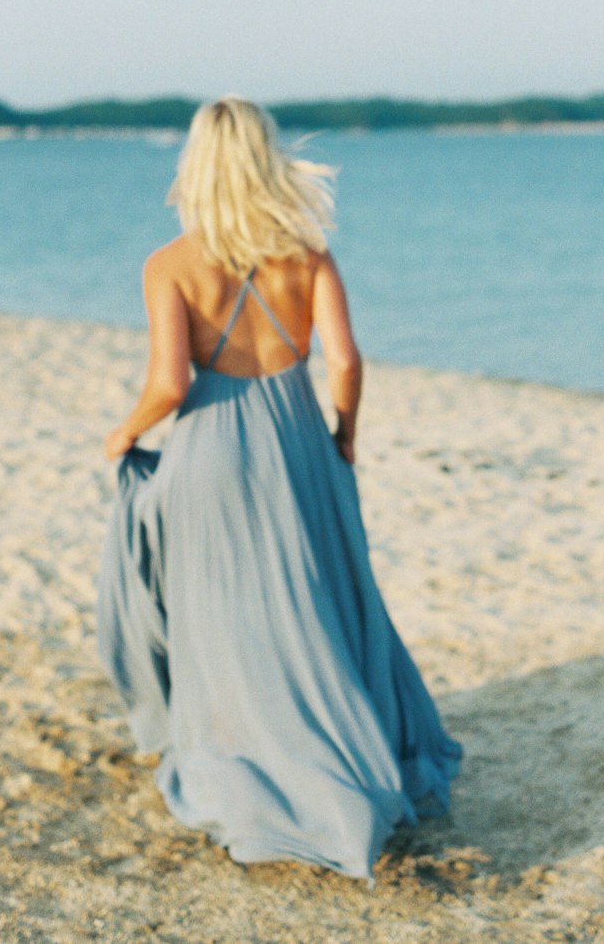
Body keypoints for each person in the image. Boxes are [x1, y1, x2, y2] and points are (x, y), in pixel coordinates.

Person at [97, 98, 461, 882]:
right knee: (319, 601)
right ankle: (342, 761)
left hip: (212, 448)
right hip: (297, 441)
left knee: (223, 616)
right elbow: (348, 361)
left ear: (196, 164)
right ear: (265, 158)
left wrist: (125, 432)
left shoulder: (169, 264)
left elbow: (167, 382)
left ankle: (245, 759)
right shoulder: (308, 253)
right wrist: (345, 434)